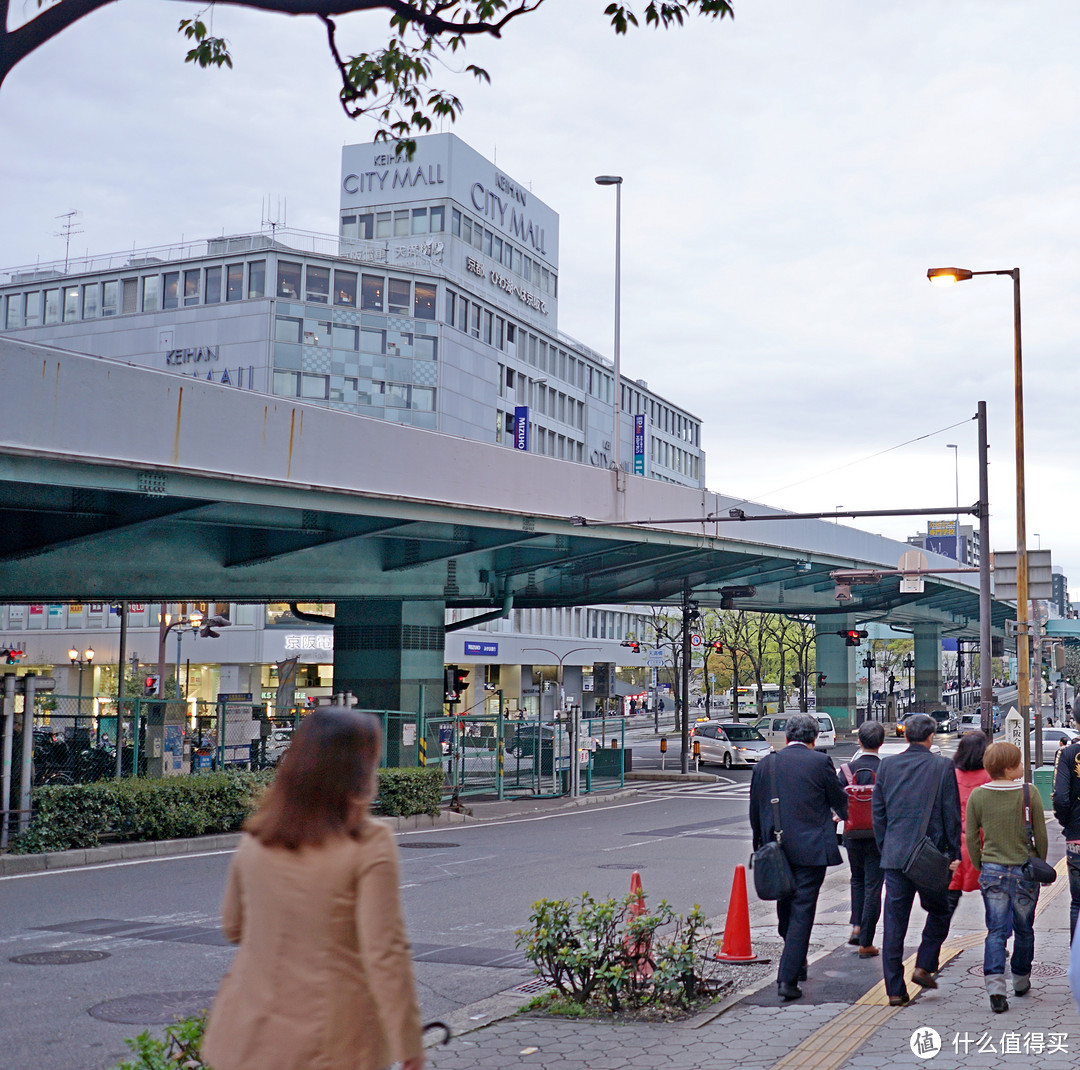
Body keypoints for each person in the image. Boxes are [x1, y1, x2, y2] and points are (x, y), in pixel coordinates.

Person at [202, 708, 425, 1070]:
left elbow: (233, 926)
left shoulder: (260, 836)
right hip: (333, 1040)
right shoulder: (368, 843)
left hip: (249, 1034)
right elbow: (384, 951)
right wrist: (409, 1044)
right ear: (359, 770)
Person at [750, 712, 848, 1002]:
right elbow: (839, 800)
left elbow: (756, 811)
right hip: (812, 849)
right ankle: (788, 978)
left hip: (776, 848)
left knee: (785, 905)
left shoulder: (766, 765)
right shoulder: (820, 762)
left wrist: (760, 846)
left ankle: (795, 959)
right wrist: (837, 816)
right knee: (802, 912)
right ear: (814, 738)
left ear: (786, 737)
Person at [873, 712, 962, 1006]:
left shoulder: (887, 766)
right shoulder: (942, 766)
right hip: (930, 856)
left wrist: (887, 846)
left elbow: (879, 813)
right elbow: (951, 814)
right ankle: (924, 963)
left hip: (895, 857)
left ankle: (895, 990)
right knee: (941, 907)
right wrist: (953, 853)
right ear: (930, 736)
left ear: (905, 735)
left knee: (894, 923)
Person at [967, 741, 1048, 1013]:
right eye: (1019, 763)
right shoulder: (1029, 793)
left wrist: (981, 863)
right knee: (1024, 928)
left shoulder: (978, 795)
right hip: (1025, 870)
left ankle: (995, 989)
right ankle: (1021, 980)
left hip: (992, 870)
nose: (1022, 767)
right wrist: (1040, 864)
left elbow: (971, 836)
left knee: (996, 930)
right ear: (1009, 767)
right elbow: (1041, 834)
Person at [838, 720, 884, 958]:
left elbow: (836, 802)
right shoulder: (886, 769)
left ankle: (856, 925)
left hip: (852, 834)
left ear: (859, 741)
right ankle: (866, 941)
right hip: (879, 836)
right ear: (881, 742)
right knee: (874, 886)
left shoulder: (846, 770)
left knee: (857, 879)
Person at [948, 730, 991, 916]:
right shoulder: (989, 777)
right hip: (984, 843)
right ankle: (997, 942)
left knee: (949, 899)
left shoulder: (950, 775)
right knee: (992, 896)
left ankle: (934, 942)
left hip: (955, 843)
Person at [1052, 704, 1080, 937]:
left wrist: (1066, 821)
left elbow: (1060, 797)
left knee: (1077, 903)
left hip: (1077, 835)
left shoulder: (1068, 754)